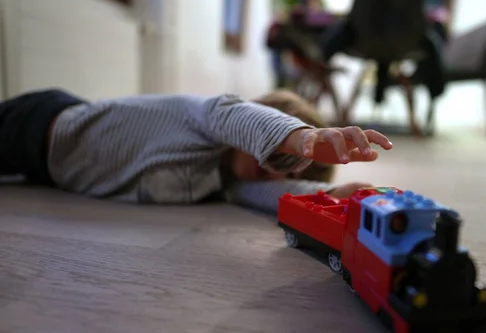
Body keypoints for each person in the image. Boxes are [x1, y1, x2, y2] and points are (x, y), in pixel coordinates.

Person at [0, 88, 393, 214]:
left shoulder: (225, 185)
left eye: (291, 174)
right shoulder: (210, 117)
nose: (278, 173)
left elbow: (272, 195)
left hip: (52, 170)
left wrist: (326, 198)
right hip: (43, 125)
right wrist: (300, 139)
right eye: (285, 162)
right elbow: (239, 116)